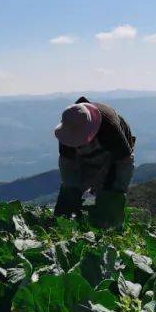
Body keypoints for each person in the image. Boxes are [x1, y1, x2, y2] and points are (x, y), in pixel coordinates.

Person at [53, 97, 136, 227]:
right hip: (83, 157)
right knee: (70, 190)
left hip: (116, 155)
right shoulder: (68, 127)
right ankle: (64, 224)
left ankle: (111, 229)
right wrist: (71, 192)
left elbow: (123, 162)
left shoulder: (110, 127)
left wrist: (105, 188)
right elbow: (68, 166)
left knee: (112, 193)